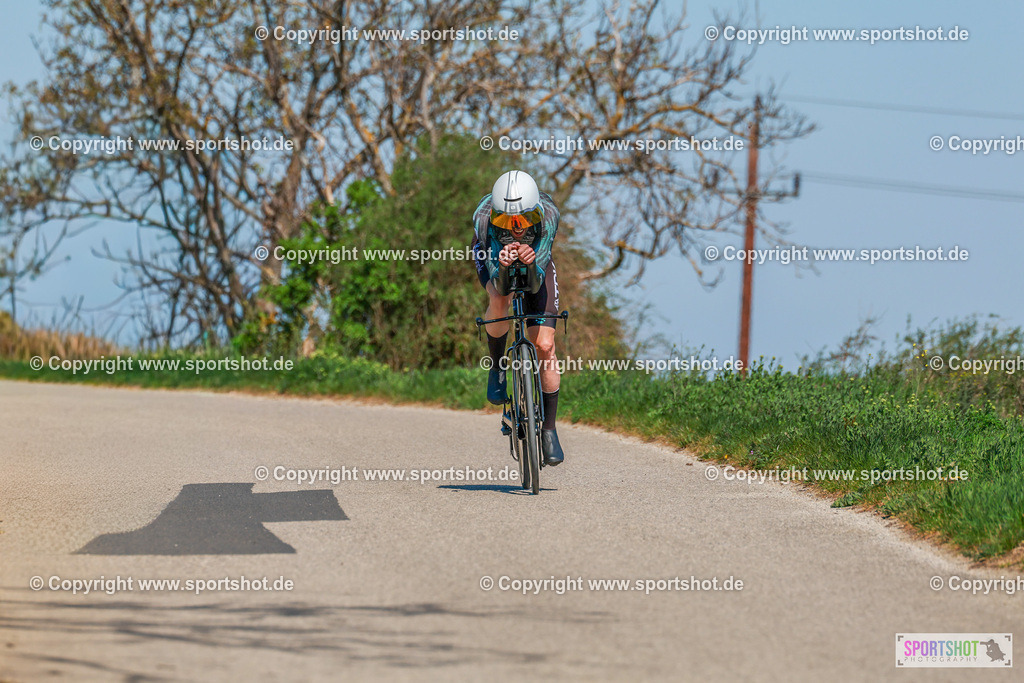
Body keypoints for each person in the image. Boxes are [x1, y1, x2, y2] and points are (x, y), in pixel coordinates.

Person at [471, 170, 564, 466]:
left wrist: (530, 260)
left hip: (537, 260)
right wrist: (501, 266)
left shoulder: (548, 217)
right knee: (499, 298)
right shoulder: (485, 221)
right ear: (496, 215)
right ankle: (497, 366)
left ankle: (549, 429)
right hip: (493, 255)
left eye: (523, 221)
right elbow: (499, 283)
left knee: (545, 346)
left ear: (534, 212)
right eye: (507, 222)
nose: (516, 228)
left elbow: (536, 281)